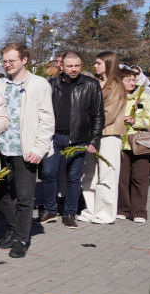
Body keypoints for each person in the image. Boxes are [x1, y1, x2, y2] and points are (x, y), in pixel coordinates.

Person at [0, 43, 54, 258]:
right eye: (5, 61)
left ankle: (21, 239)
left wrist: (39, 148)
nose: (7, 65)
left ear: (24, 60)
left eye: (12, 61)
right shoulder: (0, 83)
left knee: (25, 198)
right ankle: (13, 226)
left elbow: (47, 119)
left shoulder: (39, 84)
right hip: (1, 149)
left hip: (25, 150)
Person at [33, 51, 104, 228]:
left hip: (78, 138)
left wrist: (94, 140)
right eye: (70, 66)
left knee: (73, 176)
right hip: (53, 137)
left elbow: (98, 114)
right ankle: (50, 209)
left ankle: (69, 213)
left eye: (77, 66)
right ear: (61, 66)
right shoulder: (51, 85)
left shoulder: (91, 84)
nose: (74, 69)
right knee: (48, 173)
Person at [79, 52, 126, 224]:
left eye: (99, 63)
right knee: (89, 174)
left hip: (108, 135)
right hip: (90, 135)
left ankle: (105, 212)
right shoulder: (95, 83)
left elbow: (109, 114)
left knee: (107, 174)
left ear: (109, 64)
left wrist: (87, 124)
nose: (95, 66)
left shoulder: (117, 86)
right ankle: (90, 209)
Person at [117, 65, 150, 222]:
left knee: (140, 178)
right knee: (122, 178)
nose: (132, 82)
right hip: (120, 143)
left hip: (141, 142)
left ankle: (139, 212)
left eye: (133, 80)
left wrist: (137, 122)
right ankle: (123, 209)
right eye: (128, 80)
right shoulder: (114, 97)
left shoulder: (144, 96)